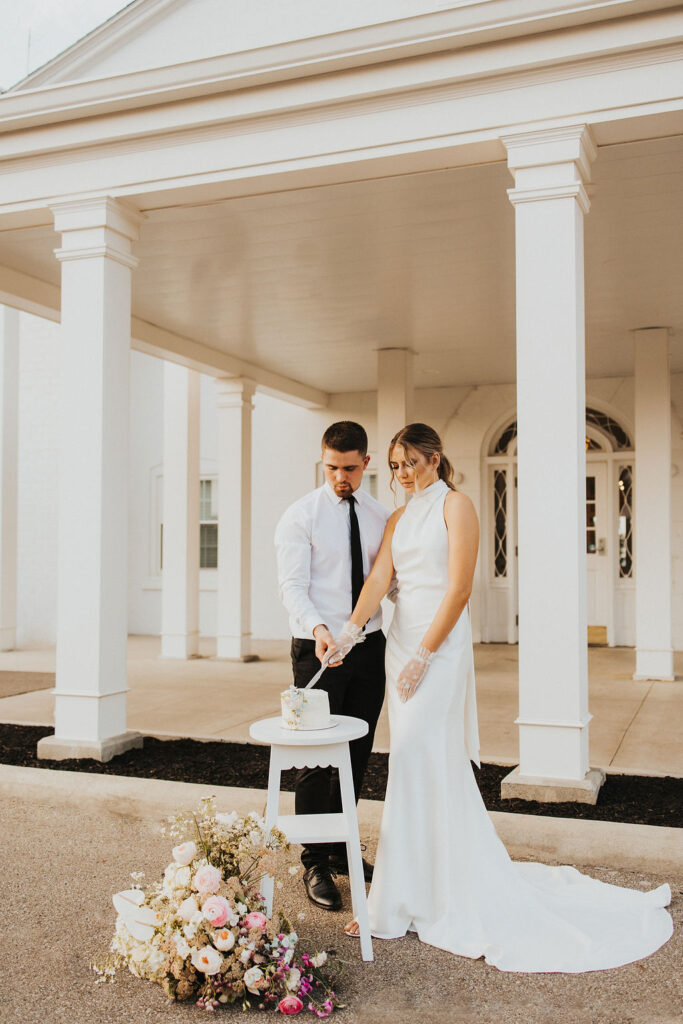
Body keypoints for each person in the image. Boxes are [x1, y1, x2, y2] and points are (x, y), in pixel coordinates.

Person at [335, 422, 672, 972]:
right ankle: (405, 895)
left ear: (435, 458)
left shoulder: (457, 506)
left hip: (437, 650)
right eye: (394, 466)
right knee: (413, 764)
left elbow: (461, 588)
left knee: (421, 753)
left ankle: (408, 897)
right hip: (400, 643)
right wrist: (350, 630)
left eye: (410, 463)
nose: (401, 474)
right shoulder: (398, 517)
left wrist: (425, 654)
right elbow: (378, 581)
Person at [274, 420, 390, 912]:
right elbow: (292, 587)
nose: (340, 476)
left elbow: (387, 582)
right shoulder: (300, 516)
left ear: (366, 462)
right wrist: (321, 631)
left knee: (356, 753)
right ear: (322, 462)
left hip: (369, 648)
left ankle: (342, 846)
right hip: (317, 649)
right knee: (314, 760)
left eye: (349, 467)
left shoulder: (383, 517)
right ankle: (314, 861)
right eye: (331, 467)